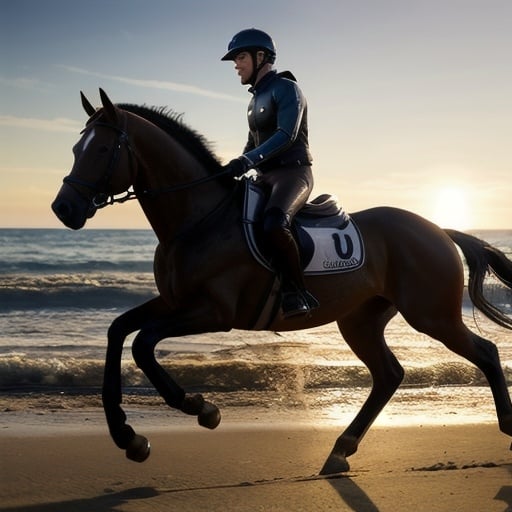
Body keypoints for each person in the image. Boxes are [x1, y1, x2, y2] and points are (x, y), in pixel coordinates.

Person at [221, 28, 319, 318]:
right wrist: (234, 167)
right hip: (264, 177)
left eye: (240, 57)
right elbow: (253, 143)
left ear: (260, 56)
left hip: (293, 174)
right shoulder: (254, 101)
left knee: (275, 223)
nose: (236, 65)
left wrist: (247, 160)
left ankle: (297, 292)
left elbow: (286, 136)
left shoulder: (287, 88)